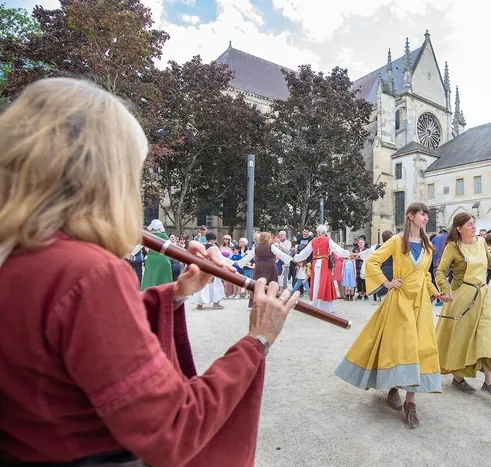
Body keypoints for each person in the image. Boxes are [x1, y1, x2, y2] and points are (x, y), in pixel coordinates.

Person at [0, 77, 298, 466]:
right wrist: (257, 341)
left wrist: (172, 293)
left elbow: (65, 332)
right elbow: (172, 427)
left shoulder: (24, 255)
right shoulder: (86, 270)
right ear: (106, 177)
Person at [335, 203, 440, 429]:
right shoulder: (396, 241)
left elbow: (426, 276)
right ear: (411, 216)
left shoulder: (428, 245)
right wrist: (387, 282)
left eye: (427, 214)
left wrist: (436, 293)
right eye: (422, 214)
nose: (425, 217)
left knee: (418, 348)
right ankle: (393, 388)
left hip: (420, 303)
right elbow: (372, 261)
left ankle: (410, 403)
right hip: (399, 300)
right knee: (399, 346)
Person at [436, 216, 491, 400]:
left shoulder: (482, 242)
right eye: (469, 224)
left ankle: (489, 382)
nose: (474, 227)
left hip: (483, 296)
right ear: (459, 228)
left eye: (474, 223)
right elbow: (441, 272)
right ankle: (458, 378)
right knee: (462, 337)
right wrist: (445, 290)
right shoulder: (453, 247)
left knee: (485, 335)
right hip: (462, 297)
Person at [293, 225, 350, 314]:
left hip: (315, 263)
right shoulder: (328, 240)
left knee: (316, 283)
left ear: (318, 232)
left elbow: (305, 252)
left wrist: (296, 258)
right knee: (325, 282)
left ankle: (317, 305)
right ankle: (326, 307)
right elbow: (337, 249)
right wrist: (346, 254)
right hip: (324, 262)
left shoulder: (313, 240)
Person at [237, 232, 292, 309]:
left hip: (259, 267)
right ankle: (271, 302)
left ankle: (255, 303)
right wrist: (291, 259)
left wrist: (239, 263)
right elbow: (281, 254)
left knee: (258, 284)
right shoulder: (271, 247)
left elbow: (247, 257)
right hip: (270, 267)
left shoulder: (256, 248)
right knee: (271, 284)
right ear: (268, 239)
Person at [189, 232, 226, 310]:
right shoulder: (214, 248)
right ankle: (216, 303)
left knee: (202, 286)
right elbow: (220, 259)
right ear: (214, 240)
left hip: (202, 268)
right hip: (212, 268)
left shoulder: (202, 247)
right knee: (216, 285)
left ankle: (199, 304)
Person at [141, 219, 173, 290]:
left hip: (151, 259)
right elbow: (170, 248)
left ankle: (147, 294)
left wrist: (130, 254)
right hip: (163, 259)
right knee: (164, 278)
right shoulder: (164, 236)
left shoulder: (148, 235)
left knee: (150, 278)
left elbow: (142, 247)